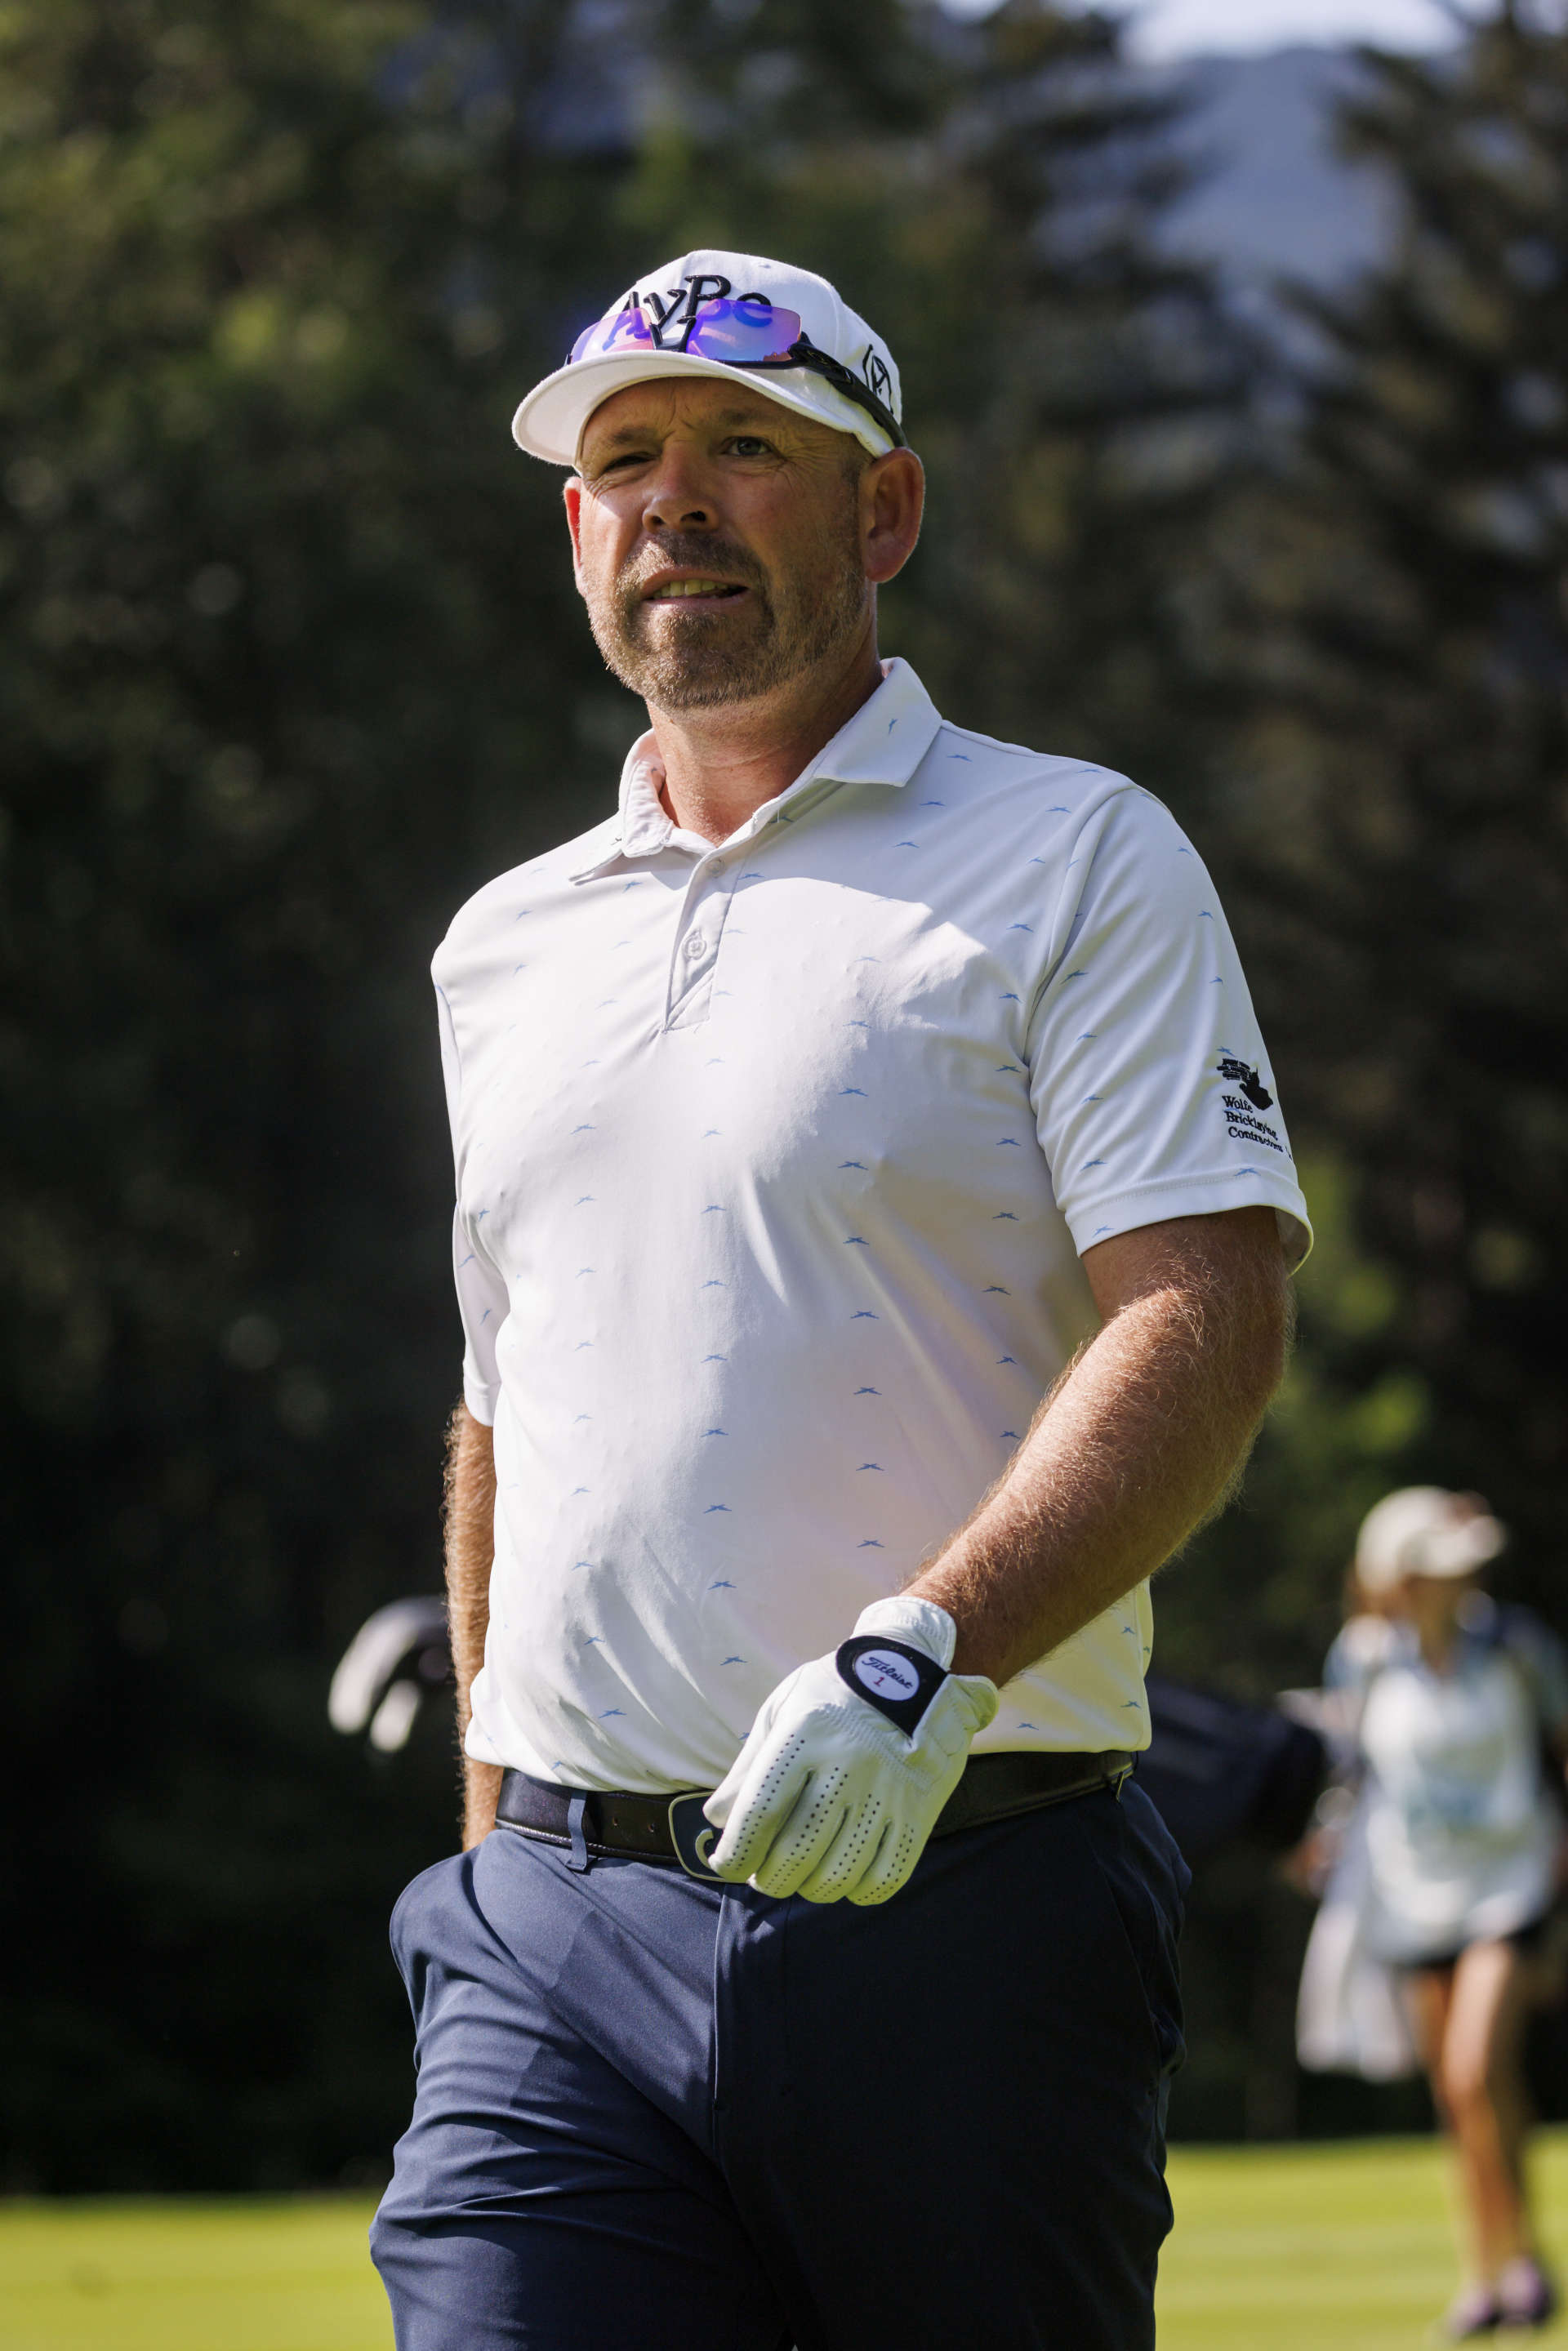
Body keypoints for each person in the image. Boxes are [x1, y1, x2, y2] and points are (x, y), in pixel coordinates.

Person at [368, 247, 1311, 2351]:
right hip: (555, 1936)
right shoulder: (500, 944)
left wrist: (923, 1661)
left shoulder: (1077, 854)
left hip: (968, 1902)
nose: (673, 500)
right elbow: (505, 1400)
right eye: (627, 461)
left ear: (880, 512)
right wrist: (489, 1847)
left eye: (743, 451)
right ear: (576, 530)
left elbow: (1204, 1314)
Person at [1316, 1487, 1568, 2339]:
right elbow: (1352, 1769)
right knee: (1468, 2095)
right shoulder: (1363, 1659)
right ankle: (1494, 2271)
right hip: (1410, 1894)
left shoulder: (1517, 1645)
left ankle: (1522, 2264)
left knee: (1471, 2068)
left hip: (1509, 1881)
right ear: (1402, 1580)